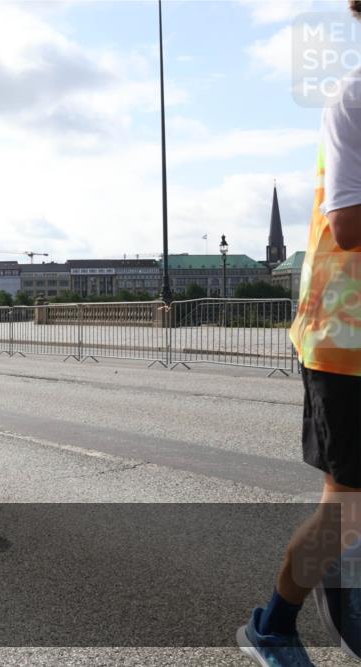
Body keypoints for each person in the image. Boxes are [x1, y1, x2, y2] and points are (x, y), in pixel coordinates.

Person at [239, 5, 361, 664]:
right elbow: (347, 223)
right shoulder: (355, 98)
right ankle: (273, 626)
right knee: (344, 511)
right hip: (348, 343)